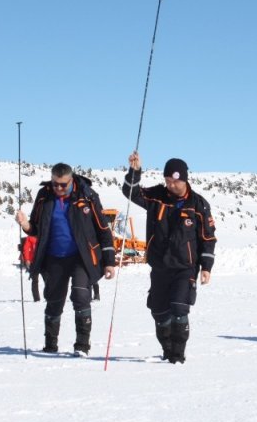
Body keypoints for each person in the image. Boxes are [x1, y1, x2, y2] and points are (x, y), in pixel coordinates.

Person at [122, 152, 217, 364]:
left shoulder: (199, 204)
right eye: (167, 181)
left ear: (184, 179)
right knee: (159, 312)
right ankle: (167, 349)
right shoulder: (156, 196)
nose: (171, 185)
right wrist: (135, 171)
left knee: (179, 307)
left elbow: (207, 238)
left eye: (175, 181)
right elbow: (130, 192)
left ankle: (177, 356)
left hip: (185, 267)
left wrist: (206, 266)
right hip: (160, 266)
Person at [15, 163, 115, 356]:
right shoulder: (44, 196)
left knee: (80, 295)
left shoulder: (87, 196)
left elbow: (103, 230)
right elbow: (36, 228)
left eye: (63, 185)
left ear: (71, 180)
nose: (59, 188)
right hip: (54, 257)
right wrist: (25, 224)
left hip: (82, 257)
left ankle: (82, 346)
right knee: (54, 301)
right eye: (55, 184)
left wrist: (109, 261)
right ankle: (50, 346)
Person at [19, 236, 40, 302]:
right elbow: (26, 248)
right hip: (33, 261)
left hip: (43, 260)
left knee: (47, 279)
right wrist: (27, 259)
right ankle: (36, 298)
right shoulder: (30, 237)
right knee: (35, 280)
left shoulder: (44, 234)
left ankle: (50, 296)